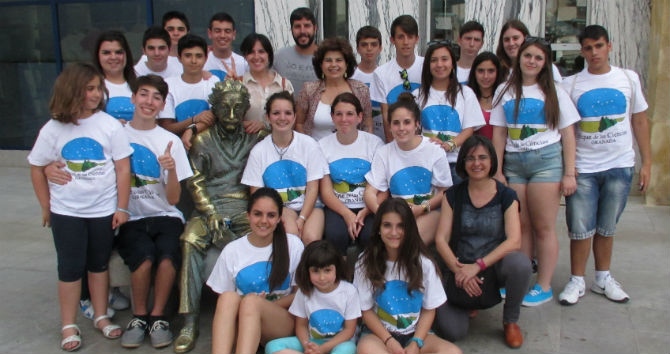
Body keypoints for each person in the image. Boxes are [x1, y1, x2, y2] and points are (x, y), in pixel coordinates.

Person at [28, 63, 132, 351]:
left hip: (102, 210)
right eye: (89, 89)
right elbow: (36, 167)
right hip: (67, 211)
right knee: (70, 268)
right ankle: (69, 324)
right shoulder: (53, 128)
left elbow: (123, 168)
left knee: (99, 266)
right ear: (72, 90)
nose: (96, 94)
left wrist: (121, 207)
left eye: (99, 88)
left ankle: (101, 315)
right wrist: (46, 207)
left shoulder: (109, 125)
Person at [557, 25, 651, 306]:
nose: (594, 52)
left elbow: (640, 120)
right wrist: (569, 170)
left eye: (599, 46)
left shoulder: (628, 78)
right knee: (580, 227)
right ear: (582, 51)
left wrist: (647, 163)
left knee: (607, 226)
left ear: (609, 45)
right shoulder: (571, 84)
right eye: (588, 47)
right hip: (585, 167)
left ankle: (602, 277)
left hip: (620, 165)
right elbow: (567, 130)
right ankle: (576, 279)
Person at [173, 79, 265, 354]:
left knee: (263, 234)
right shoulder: (203, 140)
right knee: (190, 240)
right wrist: (210, 213)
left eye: (239, 108)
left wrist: (266, 126)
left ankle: (256, 310)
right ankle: (189, 321)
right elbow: (195, 182)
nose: (233, 115)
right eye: (226, 108)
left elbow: (281, 143)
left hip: (245, 206)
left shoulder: (254, 136)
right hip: (209, 206)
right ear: (215, 109)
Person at [490, 38, 579, 307]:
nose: (532, 61)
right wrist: (497, 170)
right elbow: (499, 132)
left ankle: (543, 285)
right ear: (519, 58)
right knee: (522, 226)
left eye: (538, 58)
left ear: (545, 63)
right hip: (515, 164)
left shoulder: (554, 92)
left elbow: (568, 134)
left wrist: (569, 173)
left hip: (546, 163)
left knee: (543, 227)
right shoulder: (505, 90)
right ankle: (521, 281)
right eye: (528, 55)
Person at [116, 75, 193, 349]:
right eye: (144, 94)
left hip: (166, 216)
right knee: (144, 258)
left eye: (156, 97)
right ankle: (139, 316)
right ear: (133, 98)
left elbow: (173, 199)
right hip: (131, 216)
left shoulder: (168, 140)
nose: (149, 101)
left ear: (162, 105)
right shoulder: (117, 135)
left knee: (167, 257)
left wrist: (171, 169)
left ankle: (158, 316)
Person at [432, 135, 531, 348]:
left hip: (491, 267)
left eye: (482, 157)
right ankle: (468, 304)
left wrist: (477, 267)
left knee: (520, 264)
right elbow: (441, 239)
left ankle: (510, 321)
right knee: (453, 332)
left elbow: (514, 241)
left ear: (492, 161)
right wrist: (460, 271)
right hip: (458, 268)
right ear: (463, 163)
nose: (476, 163)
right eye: (470, 158)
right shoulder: (453, 195)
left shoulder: (507, 196)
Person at [353, 198, 462, 354]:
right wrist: (389, 341)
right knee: (367, 349)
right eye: (387, 225)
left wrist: (416, 343)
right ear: (378, 228)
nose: (394, 232)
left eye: (401, 226)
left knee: (453, 352)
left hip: (416, 333)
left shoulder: (424, 263)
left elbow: (429, 309)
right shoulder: (365, 262)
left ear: (409, 228)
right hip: (378, 335)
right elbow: (366, 310)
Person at [206, 187, 305, 354]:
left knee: (251, 302)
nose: (264, 221)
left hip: (279, 322)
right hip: (244, 324)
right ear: (248, 216)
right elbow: (226, 307)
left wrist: (263, 305)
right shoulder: (232, 250)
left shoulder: (293, 245)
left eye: (271, 215)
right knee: (228, 297)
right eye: (257, 214)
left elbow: (301, 295)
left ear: (280, 218)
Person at [364, 93, 452, 245]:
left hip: (429, 211)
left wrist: (422, 208)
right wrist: (382, 215)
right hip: (396, 215)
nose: (401, 128)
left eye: (407, 122)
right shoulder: (384, 152)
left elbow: (445, 192)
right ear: (389, 125)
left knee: (408, 241)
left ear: (417, 124)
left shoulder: (434, 150)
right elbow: (370, 192)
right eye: (396, 123)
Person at [242, 91, 328, 245]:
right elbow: (257, 193)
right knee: (291, 236)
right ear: (268, 117)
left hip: (311, 205)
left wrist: (302, 218)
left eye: (288, 113)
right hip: (279, 208)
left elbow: (313, 188)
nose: (282, 118)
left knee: (311, 238)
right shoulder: (259, 151)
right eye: (276, 113)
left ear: (295, 116)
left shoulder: (309, 145)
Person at [265, 240, 361, 354]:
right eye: (315, 271)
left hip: (339, 343)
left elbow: (349, 330)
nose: (322, 277)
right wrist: (307, 346)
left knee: (347, 349)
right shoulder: (304, 291)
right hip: (313, 342)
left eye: (327, 270)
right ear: (307, 271)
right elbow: (301, 326)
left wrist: (323, 349)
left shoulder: (349, 291)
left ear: (337, 268)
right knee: (273, 346)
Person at [319, 93, 384, 256]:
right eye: (339, 114)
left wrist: (366, 211)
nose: (344, 119)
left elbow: (383, 189)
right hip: (337, 207)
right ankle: (340, 277)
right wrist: (347, 214)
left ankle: (370, 276)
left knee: (371, 235)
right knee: (336, 235)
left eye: (350, 114)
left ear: (360, 117)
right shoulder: (322, 146)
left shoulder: (374, 143)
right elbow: (326, 192)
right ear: (332, 117)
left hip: (369, 206)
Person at [414, 41, 485, 185]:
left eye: (444, 59)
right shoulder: (417, 95)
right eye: (434, 60)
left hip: (456, 163)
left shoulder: (466, 93)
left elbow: (469, 129)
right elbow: (413, 130)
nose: (439, 64)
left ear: (453, 63)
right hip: (426, 163)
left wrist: (449, 145)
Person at [296, 37, 373, 140]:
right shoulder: (309, 90)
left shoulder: (361, 89)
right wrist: (309, 147)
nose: (333, 65)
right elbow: (299, 123)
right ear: (320, 65)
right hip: (317, 152)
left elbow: (367, 123)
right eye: (328, 60)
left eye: (339, 60)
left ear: (347, 64)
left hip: (352, 151)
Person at [158, 34, 219, 148]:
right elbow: (167, 127)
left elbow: (215, 117)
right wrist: (194, 119)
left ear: (206, 58)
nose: (193, 61)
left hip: (210, 147)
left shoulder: (213, 82)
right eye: (188, 56)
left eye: (199, 56)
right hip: (177, 147)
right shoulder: (168, 85)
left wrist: (191, 130)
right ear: (179, 57)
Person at [370, 15, 423, 142]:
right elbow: (386, 117)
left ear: (417, 39)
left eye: (410, 37)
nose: (406, 42)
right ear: (392, 40)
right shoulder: (380, 73)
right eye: (401, 37)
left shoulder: (427, 67)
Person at [240, 32, 294, 134]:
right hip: (246, 143)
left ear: (269, 54)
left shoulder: (283, 84)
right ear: (245, 56)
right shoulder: (238, 84)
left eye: (261, 52)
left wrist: (265, 125)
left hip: (277, 143)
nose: (256, 57)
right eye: (251, 52)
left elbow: (291, 118)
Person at [496, 19, 562, 82]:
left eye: (515, 38)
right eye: (506, 40)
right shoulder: (498, 69)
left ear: (525, 38)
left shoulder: (545, 67)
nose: (511, 43)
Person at [274, 7, 319, 98]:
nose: (302, 31)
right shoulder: (279, 57)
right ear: (291, 30)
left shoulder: (326, 58)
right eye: (297, 26)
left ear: (315, 28)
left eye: (307, 26)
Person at [93, 30, 137, 122]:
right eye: (106, 53)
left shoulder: (141, 84)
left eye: (118, 52)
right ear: (98, 56)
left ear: (126, 55)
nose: (113, 57)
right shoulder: (89, 88)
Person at [351, 25, 385, 141]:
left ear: (380, 48)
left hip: (384, 138)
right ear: (358, 48)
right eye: (364, 45)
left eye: (374, 44)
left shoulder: (385, 76)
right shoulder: (351, 76)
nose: (369, 48)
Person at [467, 52, 504, 140]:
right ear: (474, 72)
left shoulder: (505, 97)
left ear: (498, 72)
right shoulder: (466, 97)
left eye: (491, 71)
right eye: (481, 71)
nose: (486, 76)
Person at [203, 12, 248, 81]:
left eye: (227, 31)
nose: (222, 36)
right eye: (217, 31)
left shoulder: (243, 64)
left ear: (234, 34)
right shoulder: (200, 62)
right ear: (210, 33)